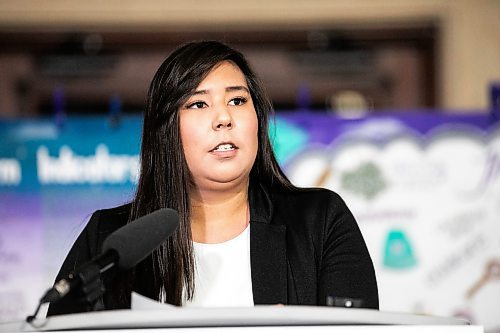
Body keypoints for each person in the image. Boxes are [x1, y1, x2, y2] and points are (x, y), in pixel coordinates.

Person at [47, 40, 378, 315]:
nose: (223, 118)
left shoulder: (319, 222)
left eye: (237, 100)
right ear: (165, 131)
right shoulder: (111, 240)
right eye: (198, 104)